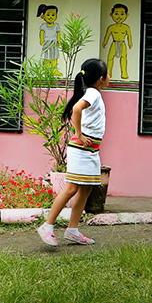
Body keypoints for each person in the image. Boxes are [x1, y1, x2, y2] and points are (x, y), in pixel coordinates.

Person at [37, 59, 108, 247]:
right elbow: (76, 108)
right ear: (101, 79)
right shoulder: (93, 93)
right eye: (108, 74)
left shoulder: (93, 92)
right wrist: (79, 133)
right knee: (72, 188)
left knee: (86, 189)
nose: (109, 77)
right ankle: (47, 225)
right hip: (81, 149)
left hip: (90, 150)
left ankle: (73, 230)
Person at [36, 4, 62, 76]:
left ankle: (54, 70)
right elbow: (41, 33)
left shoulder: (56, 26)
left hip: (53, 43)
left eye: (53, 15)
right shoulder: (43, 26)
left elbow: (58, 33)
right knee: (46, 58)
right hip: (47, 43)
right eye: (48, 14)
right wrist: (42, 40)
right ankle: (46, 71)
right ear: (43, 16)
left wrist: (58, 41)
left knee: (54, 57)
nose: (50, 17)